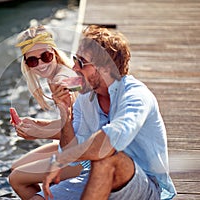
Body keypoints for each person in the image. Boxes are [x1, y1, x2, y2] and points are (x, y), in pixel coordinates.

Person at [29, 25, 176, 200]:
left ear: (106, 68)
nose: (74, 67)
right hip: (95, 177)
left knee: (107, 158)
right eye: (75, 59)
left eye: (81, 62)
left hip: (144, 186)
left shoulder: (136, 95)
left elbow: (110, 140)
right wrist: (65, 114)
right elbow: (72, 154)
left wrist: (62, 158)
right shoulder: (85, 99)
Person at [9, 25, 89, 200]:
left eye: (45, 56)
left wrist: (37, 134)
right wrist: (37, 124)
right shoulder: (57, 76)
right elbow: (72, 120)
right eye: (33, 61)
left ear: (54, 52)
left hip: (85, 155)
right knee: (16, 167)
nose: (41, 64)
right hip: (75, 146)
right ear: (26, 64)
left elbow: (78, 132)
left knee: (16, 179)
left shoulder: (61, 80)